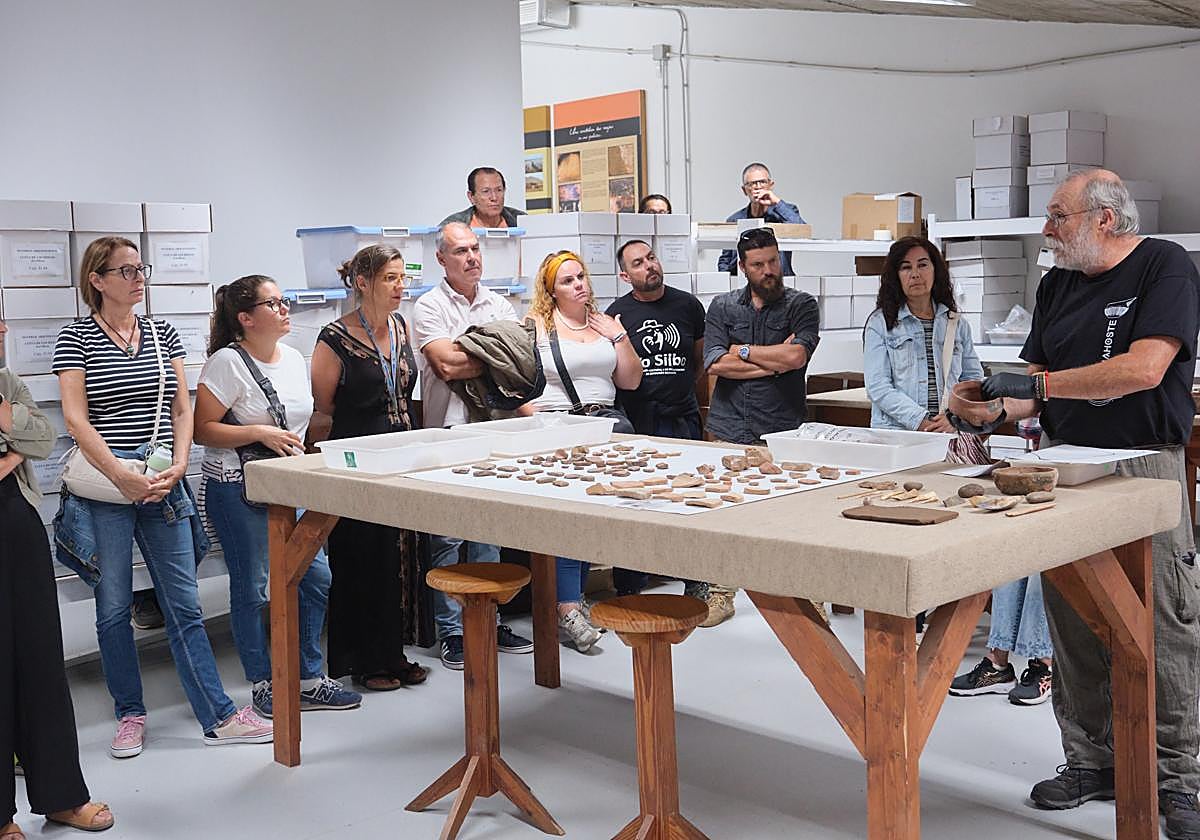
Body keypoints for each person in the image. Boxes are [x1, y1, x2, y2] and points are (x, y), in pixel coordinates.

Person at [951, 170, 1200, 837]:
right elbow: (1033, 389)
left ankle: (1177, 777)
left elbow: (1145, 368)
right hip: (1065, 463)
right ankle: (1092, 759)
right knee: (1074, 613)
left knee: (1165, 619)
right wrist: (989, 407)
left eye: (1058, 217)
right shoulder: (1057, 283)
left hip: (1142, 463)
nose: (1047, 230)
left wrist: (1035, 387)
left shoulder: (1164, 266)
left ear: (1104, 219)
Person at [52, 237, 271, 754]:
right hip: (107, 485)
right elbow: (76, 420)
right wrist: (118, 476)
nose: (137, 278)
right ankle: (129, 713)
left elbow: (180, 408)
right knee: (112, 608)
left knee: (183, 605)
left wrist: (179, 464)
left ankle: (218, 715)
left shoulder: (160, 332)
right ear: (97, 280)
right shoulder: (76, 336)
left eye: (140, 268)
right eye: (125, 271)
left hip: (162, 481)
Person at [862, 237, 1056, 705]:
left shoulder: (955, 322)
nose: (915, 274)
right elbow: (878, 387)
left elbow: (972, 378)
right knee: (900, 525)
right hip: (901, 440)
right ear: (895, 275)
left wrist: (955, 417)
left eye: (923, 264)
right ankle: (908, 617)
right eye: (905, 267)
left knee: (957, 524)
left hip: (952, 439)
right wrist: (921, 420)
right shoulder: (881, 323)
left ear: (936, 270)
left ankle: (963, 626)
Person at [194, 275, 363, 716]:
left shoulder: (291, 358)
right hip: (238, 488)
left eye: (283, 300)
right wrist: (259, 432)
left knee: (316, 577)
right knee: (251, 586)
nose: (284, 309)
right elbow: (202, 429)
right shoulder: (226, 363)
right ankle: (263, 681)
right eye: (273, 303)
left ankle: (308, 677)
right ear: (245, 318)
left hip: (290, 484)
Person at [1, 322, 114, 837]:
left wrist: (10, 440)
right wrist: (15, 445)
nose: (3, 327)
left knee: (41, 660)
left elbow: (43, 440)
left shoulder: (5, 381)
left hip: (16, 522)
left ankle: (63, 796)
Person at [412, 222, 534, 670]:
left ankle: (488, 619)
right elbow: (445, 365)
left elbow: (519, 365)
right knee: (447, 534)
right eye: (460, 251)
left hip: (493, 430)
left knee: (488, 531)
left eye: (475, 249)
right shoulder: (429, 306)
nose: (471, 258)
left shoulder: (498, 303)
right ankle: (452, 631)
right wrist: (494, 354)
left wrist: (477, 354)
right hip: (447, 432)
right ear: (441, 259)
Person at [309, 245, 429, 692]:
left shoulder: (400, 326)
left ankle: (394, 651)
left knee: (400, 553)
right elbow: (323, 411)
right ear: (363, 283)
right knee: (363, 555)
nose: (400, 287)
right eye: (390, 278)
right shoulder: (334, 338)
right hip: (356, 458)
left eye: (402, 278)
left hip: (401, 454)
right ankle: (364, 659)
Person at [523, 250, 643, 650]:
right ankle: (567, 607)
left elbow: (630, 381)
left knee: (591, 516)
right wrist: (538, 421)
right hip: (559, 429)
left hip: (604, 427)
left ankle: (573, 599)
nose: (578, 285)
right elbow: (517, 382)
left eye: (581, 276)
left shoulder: (603, 323)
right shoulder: (537, 325)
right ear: (551, 291)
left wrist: (619, 336)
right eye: (567, 280)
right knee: (567, 519)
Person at [702, 226, 821, 626]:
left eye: (773, 261)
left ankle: (811, 598)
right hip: (729, 428)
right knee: (724, 514)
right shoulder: (722, 307)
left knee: (793, 517)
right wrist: (772, 361)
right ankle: (721, 594)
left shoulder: (801, 305)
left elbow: (796, 358)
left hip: (782, 428)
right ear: (743, 267)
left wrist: (743, 351)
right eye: (758, 264)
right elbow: (715, 364)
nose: (769, 270)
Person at [605, 239, 708, 600]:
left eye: (651, 257)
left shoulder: (688, 305)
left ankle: (695, 581)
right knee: (635, 503)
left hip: (683, 417)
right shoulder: (617, 314)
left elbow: (699, 362)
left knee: (689, 500)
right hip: (640, 421)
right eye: (638, 263)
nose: (649, 265)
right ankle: (630, 586)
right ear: (625, 275)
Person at [717, 163, 804, 276]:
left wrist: (776, 202)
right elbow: (725, 260)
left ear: (771, 185)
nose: (758, 187)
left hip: (779, 279)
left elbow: (802, 231)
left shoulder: (785, 212)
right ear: (744, 190)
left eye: (762, 182)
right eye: (752, 184)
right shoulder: (734, 220)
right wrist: (727, 281)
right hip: (744, 280)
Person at [440, 167, 525, 229]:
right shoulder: (451, 226)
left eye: (499, 190)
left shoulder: (522, 220)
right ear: (471, 197)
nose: (494, 197)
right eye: (486, 191)